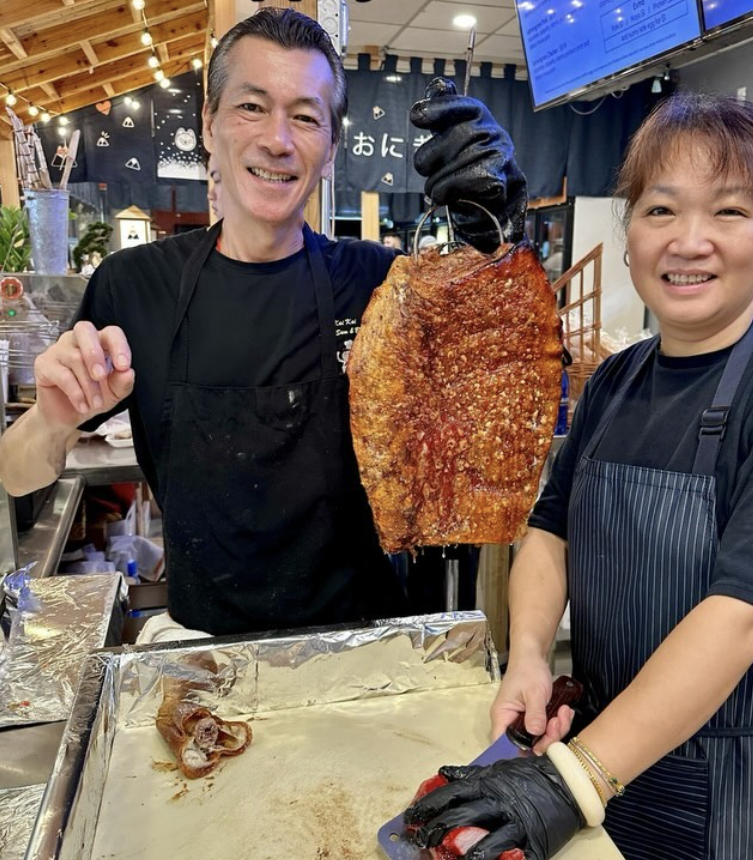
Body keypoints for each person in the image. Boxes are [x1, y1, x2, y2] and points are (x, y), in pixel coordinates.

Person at [406, 92, 753, 860]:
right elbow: (552, 531)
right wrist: (527, 661)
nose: (690, 241)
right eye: (660, 211)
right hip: (613, 773)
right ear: (628, 235)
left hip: (752, 795)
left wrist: (570, 779)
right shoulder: (617, 382)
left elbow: (745, 613)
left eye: (729, 213)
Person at [0, 8, 527, 638]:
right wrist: (54, 417)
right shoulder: (133, 285)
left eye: (305, 116)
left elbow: (491, 400)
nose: (277, 139)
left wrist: (497, 245)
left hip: (368, 646)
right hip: (205, 652)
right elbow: (16, 472)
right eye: (252, 107)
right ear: (208, 124)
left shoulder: (385, 284)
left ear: (331, 149)